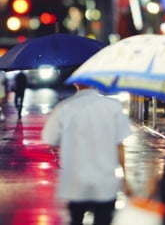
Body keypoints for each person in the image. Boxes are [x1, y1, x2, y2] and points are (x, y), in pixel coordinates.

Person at [42, 84, 132, 225]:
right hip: (105, 182)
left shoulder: (65, 107)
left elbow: (49, 138)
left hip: (75, 182)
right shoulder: (113, 107)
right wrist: (125, 178)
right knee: (104, 220)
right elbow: (119, 144)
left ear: (76, 83)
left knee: (76, 220)